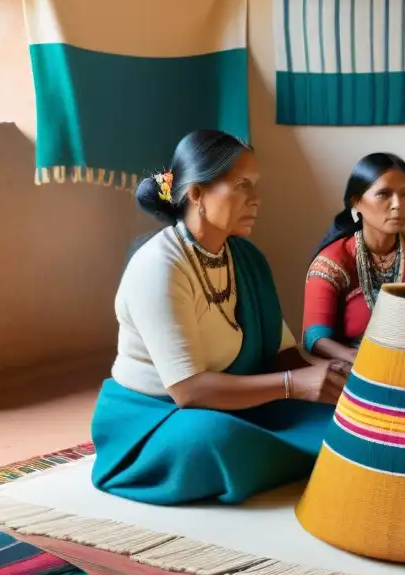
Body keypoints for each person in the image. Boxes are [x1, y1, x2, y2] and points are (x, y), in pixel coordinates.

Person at [91, 130, 349, 506]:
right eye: (242, 185)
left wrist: (331, 372)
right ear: (197, 193)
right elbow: (188, 391)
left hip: (236, 399)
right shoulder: (159, 265)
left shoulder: (245, 257)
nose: (256, 200)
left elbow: (283, 358)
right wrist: (296, 384)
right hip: (159, 417)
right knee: (217, 440)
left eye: (256, 186)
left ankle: (293, 452)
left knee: (342, 417)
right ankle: (294, 455)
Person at [302, 153, 405, 361]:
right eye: (384, 194)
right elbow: (314, 337)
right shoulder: (333, 262)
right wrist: (354, 357)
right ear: (357, 203)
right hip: (354, 369)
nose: (398, 204)